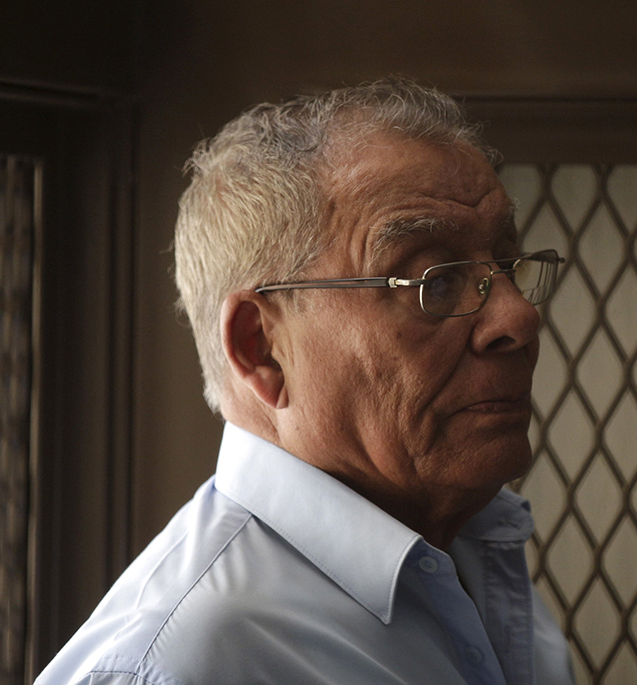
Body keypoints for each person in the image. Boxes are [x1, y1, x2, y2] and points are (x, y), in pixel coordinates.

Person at [35, 80, 575, 684]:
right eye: (434, 281)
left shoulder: (471, 548)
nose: (517, 319)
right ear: (260, 348)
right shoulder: (174, 663)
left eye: (505, 263)